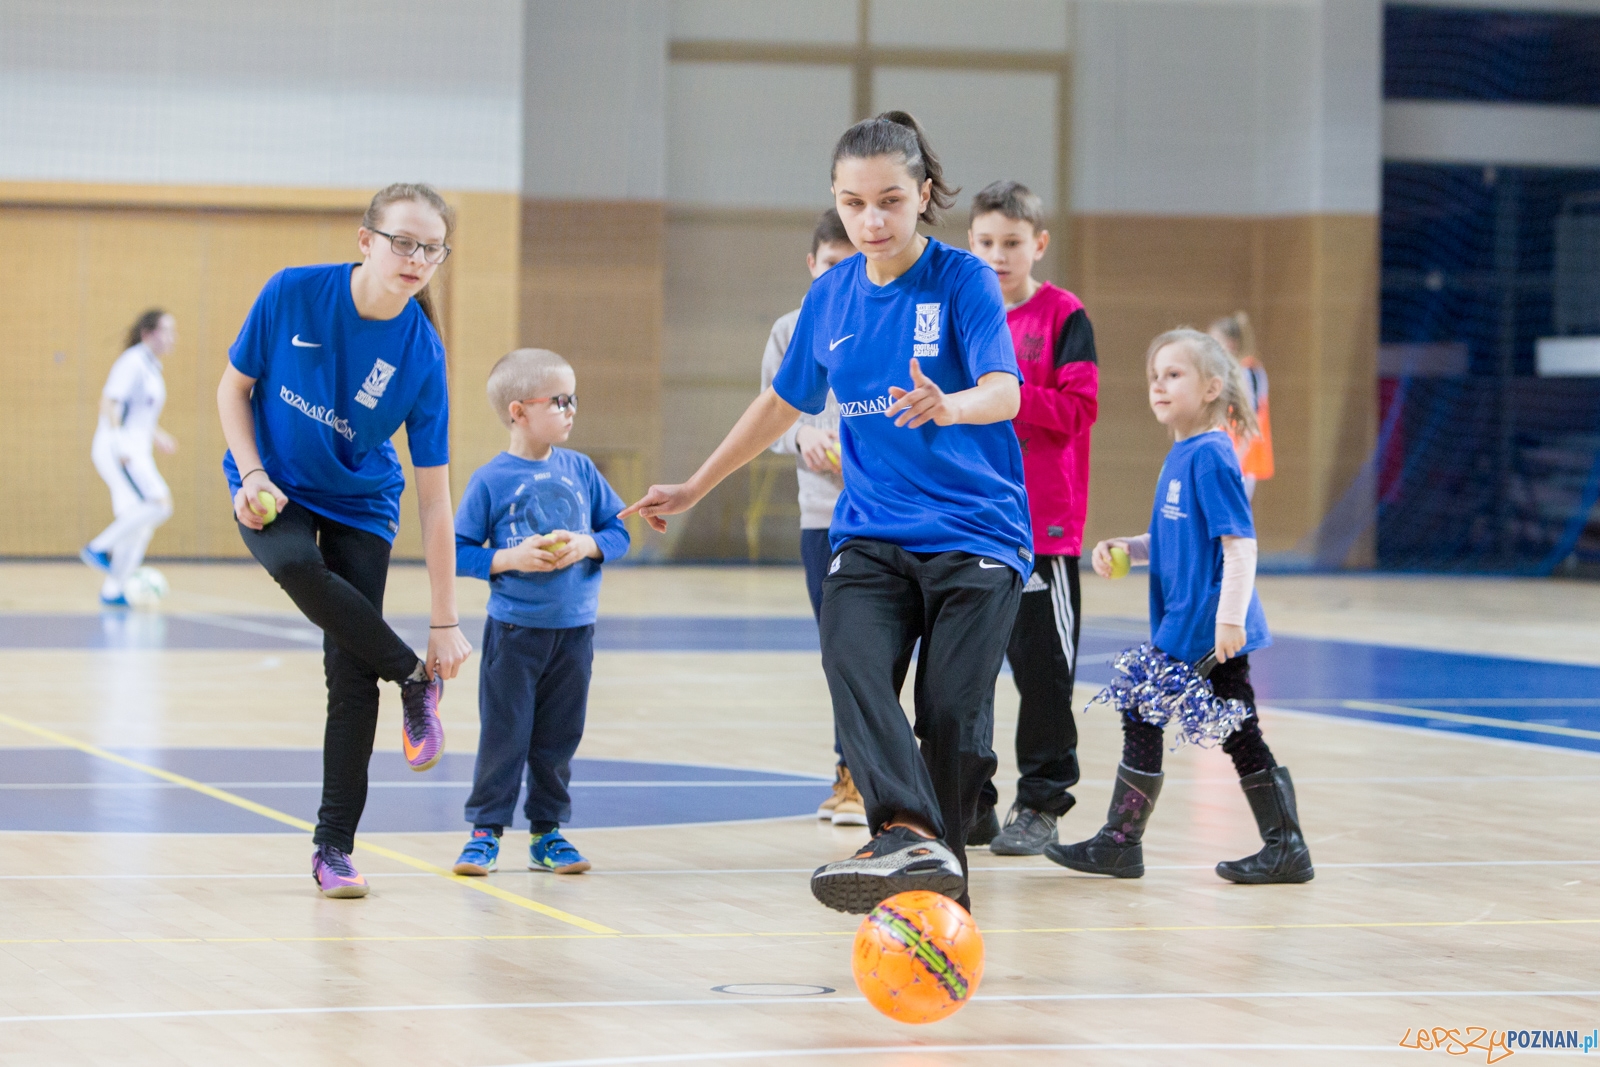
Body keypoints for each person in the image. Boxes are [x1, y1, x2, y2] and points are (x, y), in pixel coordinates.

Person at [624, 112, 1032, 915]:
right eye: (853, 203)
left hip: (976, 533)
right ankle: (913, 843)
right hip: (873, 533)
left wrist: (951, 404)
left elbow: (1006, 390)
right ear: (835, 203)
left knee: (951, 719)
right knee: (851, 660)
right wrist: (697, 485)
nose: (871, 220)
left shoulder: (962, 281)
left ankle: (939, 895)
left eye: (889, 200)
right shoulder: (832, 295)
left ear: (922, 195)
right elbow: (782, 404)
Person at [216, 182, 473, 899]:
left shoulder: (421, 354)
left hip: (362, 500)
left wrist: (445, 618)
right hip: (270, 483)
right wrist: (252, 471)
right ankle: (413, 678)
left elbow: (433, 494)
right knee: (294, 559)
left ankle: (333, 848)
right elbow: (231, 389)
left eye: (431, 248)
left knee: (350, 674)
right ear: (366, 240)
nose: (417, 257)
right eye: (403, 241)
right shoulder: (292, 293)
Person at [1045, 328, 1313, 885]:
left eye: (1174, 374)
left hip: (1207, 631)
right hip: (1187, 625)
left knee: (1156, 714)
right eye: (1154, 376)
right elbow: (1173, 538)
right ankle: (1280, 846)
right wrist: (1129, 548)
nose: (1159, 385)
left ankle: (1124, 844)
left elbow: (1240, 546)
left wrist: (1230, 620)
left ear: (1212, 386)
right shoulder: (1182, 452)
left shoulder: (1212, 456)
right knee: (1229, 729)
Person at [450, 348, 629, 878]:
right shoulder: (491, 479)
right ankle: (484, 832)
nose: (571, 410)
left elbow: (618, 531)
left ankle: (547, 833)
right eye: (559, 400)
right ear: (518, 411)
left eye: (573, 399)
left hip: (575, 631)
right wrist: (509, 558)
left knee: (558, 737)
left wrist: (588, 546)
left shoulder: (582, 470)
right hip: (514, 630)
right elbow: (458, 549)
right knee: (505, 734)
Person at [965, 181, 1098, 856]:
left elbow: (1078, 411)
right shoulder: (962, 313)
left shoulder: (1064, 316)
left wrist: (1007, 396)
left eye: (1011, 243)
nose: (997, 255)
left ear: (1038, 245)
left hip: (1044, 529)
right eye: (985, 242)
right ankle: (973, 801)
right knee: (968, 671)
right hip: (973, 523)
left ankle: (1042, 802)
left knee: (1044, 675)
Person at [758, 208, 865, 827]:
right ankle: (850, 775)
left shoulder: (889, 322)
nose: (841, 275)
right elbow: (770, 421)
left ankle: (888, 776)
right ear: (811, 264)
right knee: (841, 650)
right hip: (822, 518)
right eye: (830, 264)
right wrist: (801, 440)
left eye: (852, 265)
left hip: (885, 513)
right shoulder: (790, 330)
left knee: (884, 652)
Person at [82, 310, 179, 607]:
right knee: (159, 504)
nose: (172, 337)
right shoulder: (133, 361)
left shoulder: (152, 366)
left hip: (137, 448)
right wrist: (120, 445)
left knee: (139, 524)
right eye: (166, 330)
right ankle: (98, 548)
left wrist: (157, 434)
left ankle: (114, 590)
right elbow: (109, 402)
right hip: (120, 449)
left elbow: (139, 414)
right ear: (148, 333)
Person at [1208, 312, 1273, 500]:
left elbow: (1251, 419)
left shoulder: (1247, 372)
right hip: (1227, 458)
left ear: (1231, 344)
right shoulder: (1230, 372)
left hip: (1240, 460)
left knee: (1232, 523)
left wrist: (1236, 460)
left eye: (1214, 340)